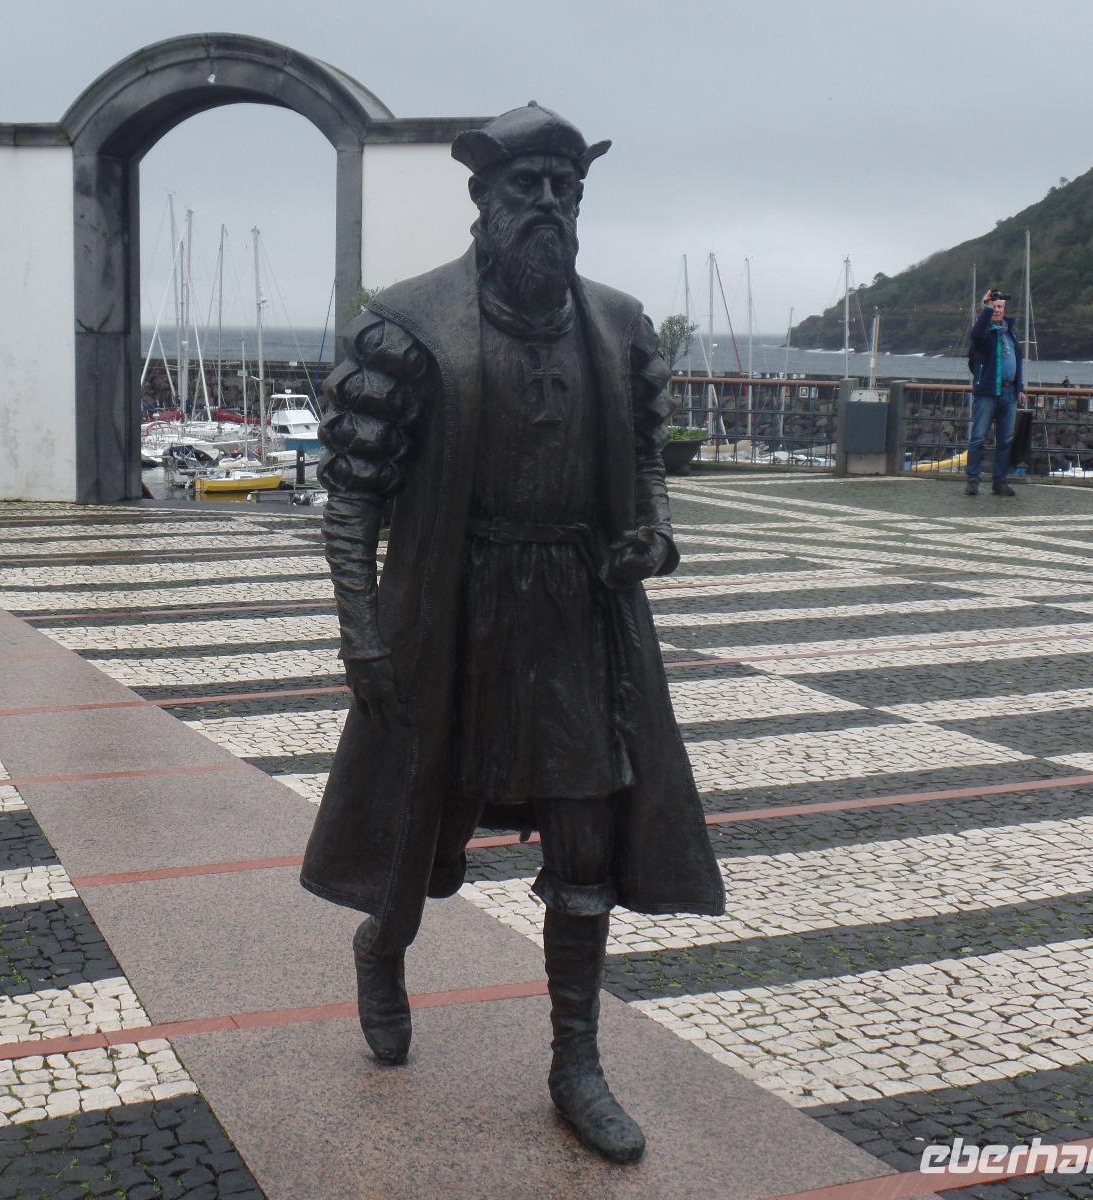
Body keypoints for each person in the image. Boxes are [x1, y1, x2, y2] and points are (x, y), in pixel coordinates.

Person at [301, 103, 724, 1164]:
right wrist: (361, 633)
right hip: (450, 609)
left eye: (563, 191)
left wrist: (654, 544)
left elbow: (648, 476)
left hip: (576, 617)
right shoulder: (407, 325)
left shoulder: (620, 326)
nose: (545, 207)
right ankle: (381, 946)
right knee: (415, 829)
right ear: (484, 203)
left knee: (585, 844)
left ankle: (574, 1064)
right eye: (524, 189)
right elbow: (350, 494)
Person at [964, 289, 1023, 496]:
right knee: (978, 437)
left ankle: (1000, 481)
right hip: (988, 392)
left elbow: (1018, 362)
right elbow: (975, 335)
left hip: (1009, 393)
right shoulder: (984, 331)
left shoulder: (1010, 332)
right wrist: (986, 308)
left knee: (1005, 440)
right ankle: (972, 480)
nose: (997, 310)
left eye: (1000, 307)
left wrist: (1020, 387)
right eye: (994, 307)